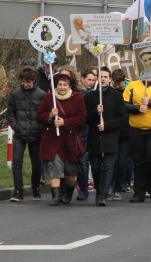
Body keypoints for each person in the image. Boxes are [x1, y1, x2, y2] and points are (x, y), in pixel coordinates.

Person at [36, 74, 87, 206]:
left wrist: (65, 122)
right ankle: (55, 197)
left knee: (70, 174)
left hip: (69, 140)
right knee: (55, 167)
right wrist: (50, 115)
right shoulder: (49, 98)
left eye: (65, 85)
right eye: (60, 85)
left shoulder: (77, 98)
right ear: (56, 86)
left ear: (69, 85)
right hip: (52, 140)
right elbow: (39, 117)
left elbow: (82, 118)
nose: (62, 87)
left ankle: (69, 190)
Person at [84, 67, 127, 206]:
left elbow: (122, 119)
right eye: (100, 76)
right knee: (96, 167)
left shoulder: (117, 96)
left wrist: (107, 125)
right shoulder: (90, 96)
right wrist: (95, 111)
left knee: (108, 167)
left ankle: (103, 194)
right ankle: (98, 190)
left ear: (110, 79)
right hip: (94, 138)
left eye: (105, 77)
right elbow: (85, 118)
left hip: (110, 137)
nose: (102, 79)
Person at [8, 67, 46, 201]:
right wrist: (15, 125)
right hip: (20, 133)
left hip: (36, 133)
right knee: (17, 162)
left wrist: (40, 126)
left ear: (34, 81)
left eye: (28, 82)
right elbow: (11, 112)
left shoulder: (41, 95)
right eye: (24, 81)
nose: (26, 84)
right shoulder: (15, 94)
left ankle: (35, 188)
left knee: (36, 163)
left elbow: (44, 113)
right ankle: (18, 191)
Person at [109, 68, 131, 200]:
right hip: (113, 130)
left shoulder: (129, 90)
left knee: (122, 161)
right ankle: (111, 185)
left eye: (120, 83)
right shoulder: (109, 90)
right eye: (116, 84)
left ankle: (119, 186)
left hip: (126, 130)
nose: (118, 86)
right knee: (112, 161)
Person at [75, 69, 97, 201]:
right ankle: (78, 186)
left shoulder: (95, 95)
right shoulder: (78, 94)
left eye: (94, 80)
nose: (91, 82)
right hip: (79, 131)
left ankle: (84, 188)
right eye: (89, 80)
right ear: (82, 78)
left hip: (90, 132)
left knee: (85, 162)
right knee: (79, 162)